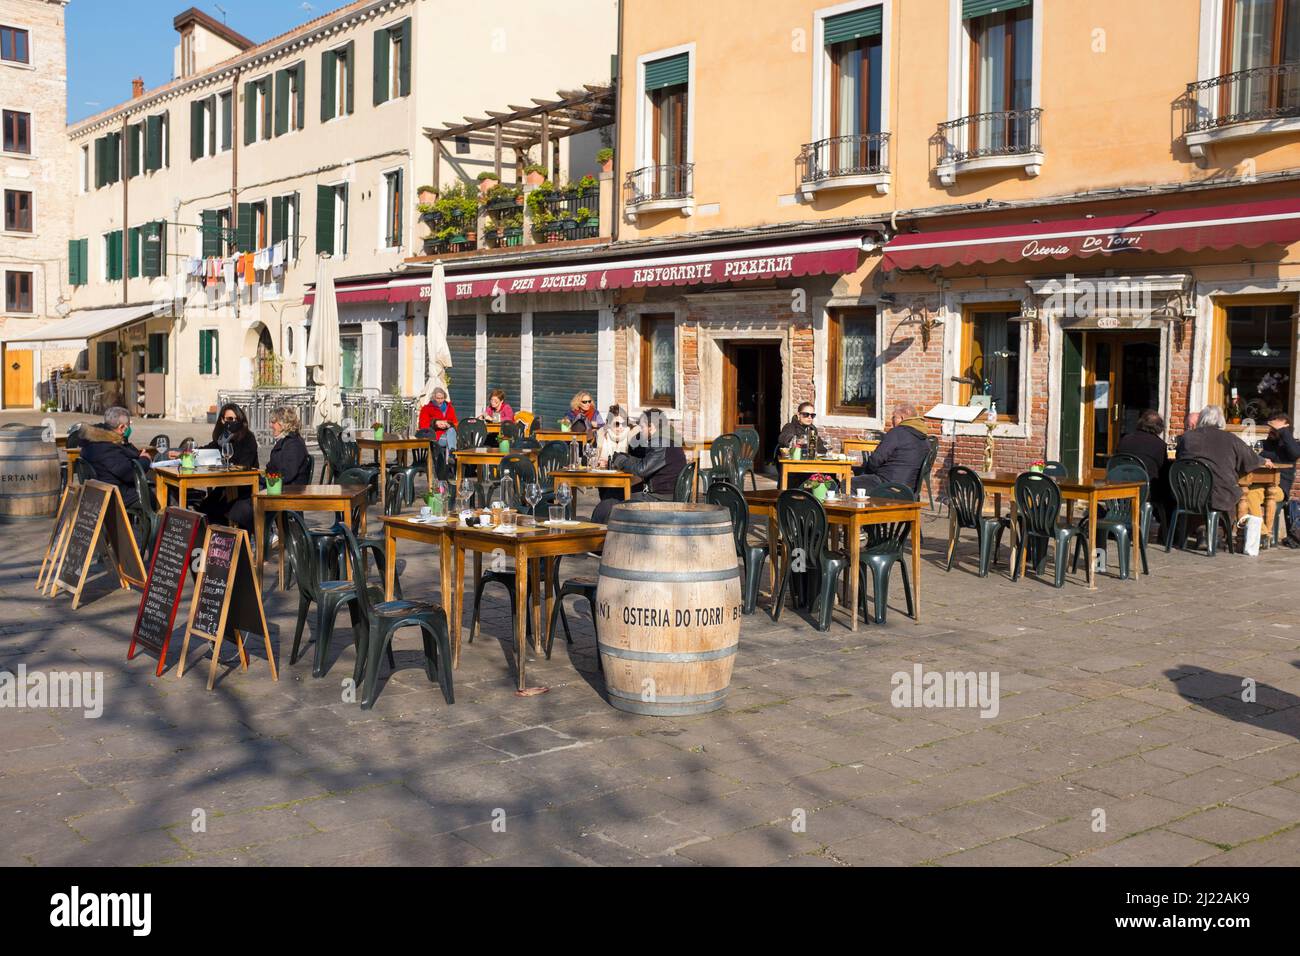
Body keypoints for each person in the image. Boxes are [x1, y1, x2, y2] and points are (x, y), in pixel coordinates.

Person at [1176, 404, 1283, 524]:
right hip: (1220, 496)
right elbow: (1250, 459)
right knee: (1233, 492)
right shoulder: (1230, 438)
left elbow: (1179, 460)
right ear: (1221, 420)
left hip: (1187, 495)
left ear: (1201, 419)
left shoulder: (1186, 437)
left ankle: (1198, 530)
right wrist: (1263, 460)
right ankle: (1219, 532)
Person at [591, 408, 687, 524]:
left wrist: (621, 461)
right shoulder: (666, 440)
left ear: (651, 427)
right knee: (612, 493)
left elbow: (641, 470)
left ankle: (598, 537)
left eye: (642, 427)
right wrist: (626, 457)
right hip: (663, 493)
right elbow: (646, 462)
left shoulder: (661, 443)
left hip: (660, 498)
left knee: (606, 507)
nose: (640, 431)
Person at [226, 406, 311, 530]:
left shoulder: (293, 444)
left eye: (273, 422)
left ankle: (264, 534)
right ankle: (254, 536)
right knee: (236, 501)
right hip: (276, 488)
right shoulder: (285, 442)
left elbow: (287, 474)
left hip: (285, 491)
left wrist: (262, 480)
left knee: (241, 507)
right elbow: (273, 469)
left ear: (283, 424)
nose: (270, 425)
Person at [76, 405, 155, 508]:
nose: (129, 428)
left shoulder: (95, 439)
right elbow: (129, 473)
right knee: (158, 493)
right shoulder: (107, 447)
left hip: (99, 490)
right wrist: (145, 460)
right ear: (122, 427)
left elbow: (123, 454)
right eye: (128, 425)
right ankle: (157, 523)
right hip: (116, 494)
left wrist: (127, 444)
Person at [194, 402, 259, 524]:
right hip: (224, 485)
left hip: (244, 487)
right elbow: (209, 448)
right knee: (205, 507)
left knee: (216, 509)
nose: (233, 421)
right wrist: (188, 453)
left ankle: (226, 539)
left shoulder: (248, 438)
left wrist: (224, 465)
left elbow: (245, 465)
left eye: (236, 419)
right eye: (229, 419)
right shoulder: (223, 437)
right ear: (222, 420)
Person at [851, 403, 930, 493]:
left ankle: (862, 506)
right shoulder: (924, 437)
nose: (892, 420)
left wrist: (866, 472)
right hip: (909, 488)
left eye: (894, 417)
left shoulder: (897, 432)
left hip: (888, 485)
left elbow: (876, 459)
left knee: (848, 483)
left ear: (902, 418)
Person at [1261, 412, 1299, 542]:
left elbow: (1295, 454)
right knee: (1249, 495)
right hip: (1261, 485)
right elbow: (1260, 453)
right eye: (1272, 426)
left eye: (1277, 427)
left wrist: (1282, 431)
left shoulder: (1291, 447)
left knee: (1268, 494)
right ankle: (1263, 533)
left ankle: (1263, 534)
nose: (1273, 429)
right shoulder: (1266, 444)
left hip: (1280, 488)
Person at [1115, 410, 1169, 481]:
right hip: (1145, 484)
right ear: (1159, 427)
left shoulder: (1125, 439)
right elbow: (1163, 469)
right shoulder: (1160, 444)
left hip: (1121, 482)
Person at [594, 406, 633, 503]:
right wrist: (597, 461)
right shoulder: (602, 435)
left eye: (623, 424)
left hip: (627, 478)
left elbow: (634, 460)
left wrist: (613, 462)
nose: (620, 427)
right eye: (616, 424)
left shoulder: (632, 436)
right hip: (605, 478)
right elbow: (593, 457)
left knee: (609, 500)